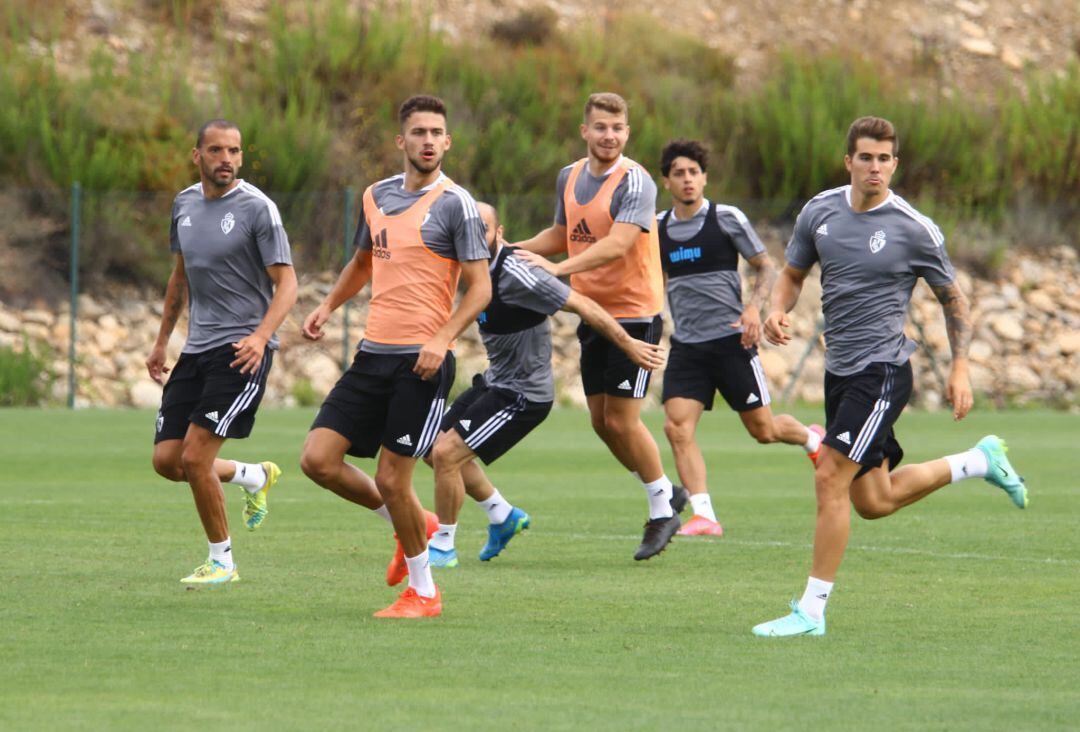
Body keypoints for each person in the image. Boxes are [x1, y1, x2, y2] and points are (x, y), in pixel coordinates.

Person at [753, 116, 1028, 637]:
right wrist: (777, 310)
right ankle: (977, 460)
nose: (874, 167)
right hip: (840, 371)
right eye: (865, 157)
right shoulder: (819, 211)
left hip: (882, 370)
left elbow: (953, 299)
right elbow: (792, 274)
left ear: (894, 164)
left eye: (884, 159)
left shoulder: (913, 227)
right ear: (848, 161)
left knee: (830, 474)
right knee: (872, 501)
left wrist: (961, 367)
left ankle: (810, 612)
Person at [299, 95, 491, 619]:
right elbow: (363, 261)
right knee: (317, 460)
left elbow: (479, 290)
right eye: (419, 132)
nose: (428, 141)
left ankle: (425, 591)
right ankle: (414, 522)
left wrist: (442, 338)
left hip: (422, 363)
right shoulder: (375, 195)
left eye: (437, 133)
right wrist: (327, 305)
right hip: (371, 355)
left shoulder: (457, 205)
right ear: (400, 141)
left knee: (392, 477)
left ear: (447, 142)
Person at [427, 203, 667, 568]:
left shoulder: (519, 274)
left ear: (500, 232)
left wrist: (628, 343)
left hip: (523, 395)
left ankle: (442, 546)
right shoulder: (467, 268)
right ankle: (502, 515)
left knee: (447, 454)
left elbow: (582, 304)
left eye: (483, 230)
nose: (474, 238)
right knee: (431, 446)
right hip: (496, 381)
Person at [514, 92, 687, 561]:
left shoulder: (637, 182)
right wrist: (511, 250)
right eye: (600, 127)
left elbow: (617, 244)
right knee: (601, 422)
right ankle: (664, 489)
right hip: (591, 310)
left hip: (634, 313)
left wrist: (555, 270)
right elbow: (561, 234)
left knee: (624, 419)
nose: (609, 135)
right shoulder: (568, 176)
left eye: (617, 128)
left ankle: (661, 509)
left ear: (627, 133)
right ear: (584, 131)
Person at [148, 119, 297, 585]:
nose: (226, 159)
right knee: (168, 461)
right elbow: (180, 277)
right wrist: (161, 340)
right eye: (215, 150)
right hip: (196, 349)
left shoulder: (258, 208)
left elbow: (288, 284)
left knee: (195, 458)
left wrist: (260, 336)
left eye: (233, 151)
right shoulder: (184, 204)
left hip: (240, 351)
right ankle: (252, 476)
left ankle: (222, 562)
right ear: (197, 156)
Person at [657, 139, 824, 538]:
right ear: (667, 182)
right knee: (677, 428)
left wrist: (754, 308)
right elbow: (652, 282)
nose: (687, 180)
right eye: (678, 173)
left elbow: (766, 267)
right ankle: (704, 515)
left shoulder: (726, 218)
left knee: (763, 431)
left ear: (704, 177)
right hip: (688, 347)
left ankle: (809, 436)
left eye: (693, 172)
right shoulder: (657, 229)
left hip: (732, 342)